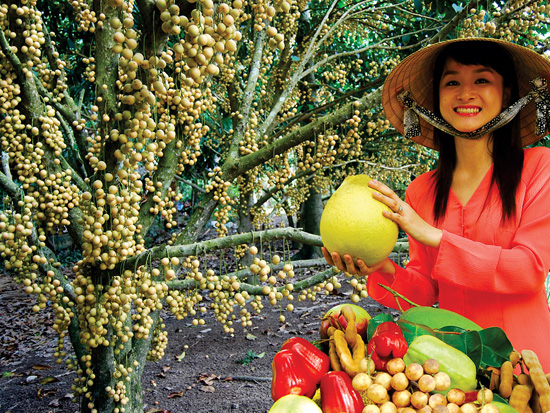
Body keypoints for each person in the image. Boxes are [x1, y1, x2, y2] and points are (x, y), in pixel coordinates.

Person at [322, 38, 550, 371]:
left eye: (482, 80)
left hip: (527, 367)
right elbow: (423, 294)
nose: (466, 93)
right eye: (452, 82)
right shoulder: (422, 191)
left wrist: (434, 236)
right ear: (435, 99)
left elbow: (528, 270)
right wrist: (379, 268)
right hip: (450, 371)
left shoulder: (540, 168)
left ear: (508, 93)